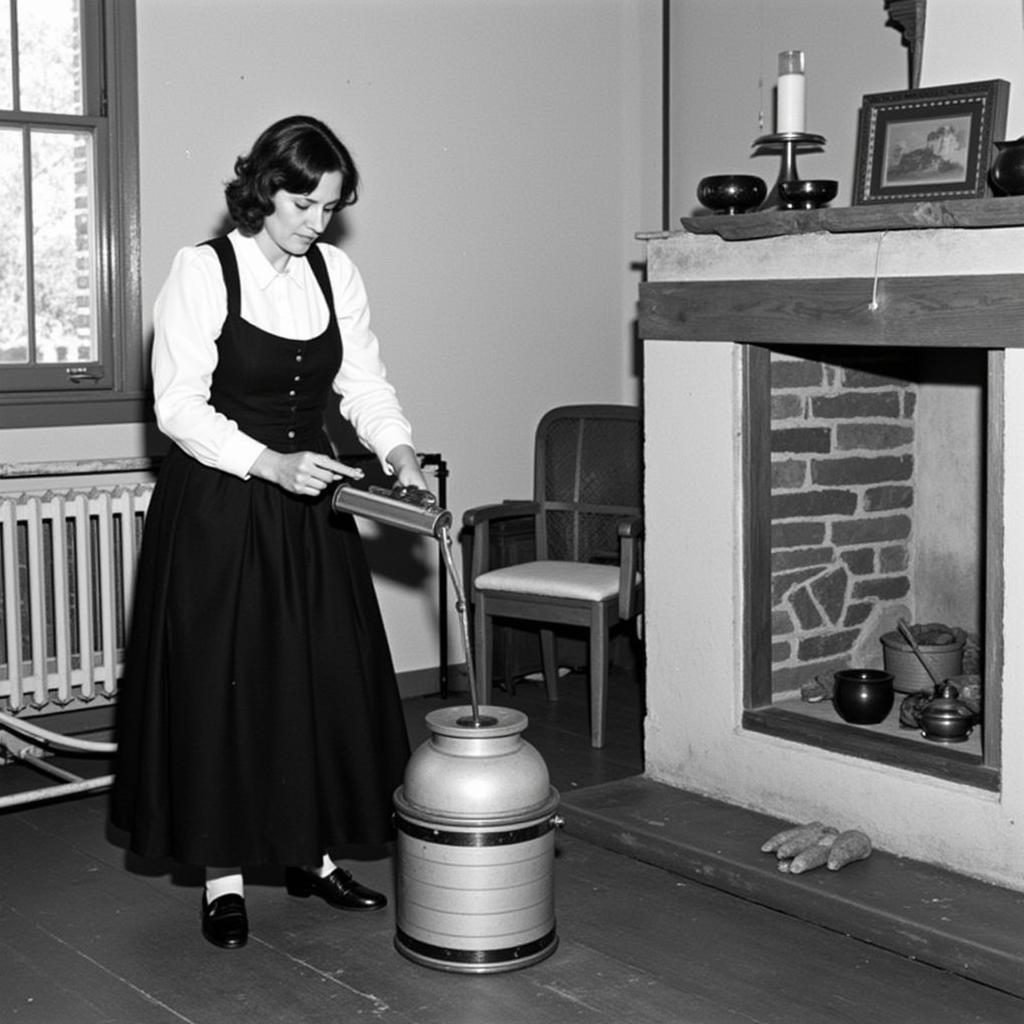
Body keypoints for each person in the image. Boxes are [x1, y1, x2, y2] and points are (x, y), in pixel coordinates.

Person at [110, 115, 429, 950]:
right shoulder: (203, 270)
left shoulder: (336, 273)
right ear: (262, 189)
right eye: (302, 203)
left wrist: (395, 445)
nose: (315, 222)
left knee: (313, 679)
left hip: (309, 509)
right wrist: (267, 463)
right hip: (219, 503)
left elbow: (363, 380)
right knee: (229, 682)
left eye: (329, 208)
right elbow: (178, 407)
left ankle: (311, 857)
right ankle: (222, 877)